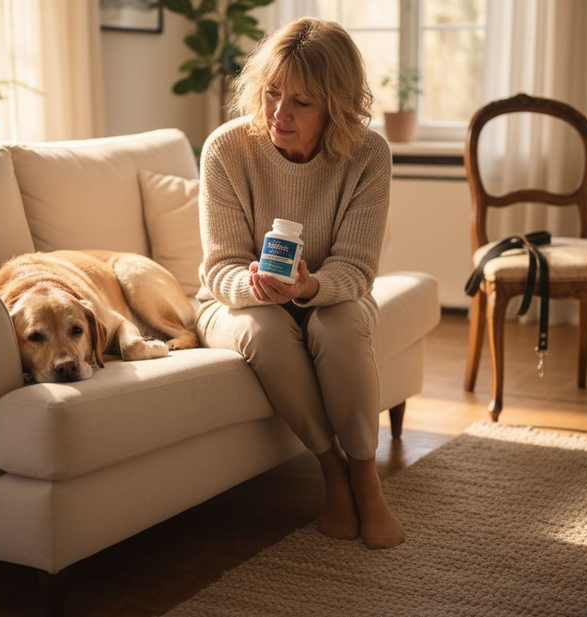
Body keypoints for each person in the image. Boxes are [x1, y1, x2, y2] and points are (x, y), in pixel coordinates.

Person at [195, 17, 403, 550]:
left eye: (301, 102)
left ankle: (367, 479)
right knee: (265, 330)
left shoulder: (367, 155)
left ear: (335, 104)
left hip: (326, 293)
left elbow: (356, 269)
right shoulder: (227, 150)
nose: (278, 114)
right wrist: (254, 286)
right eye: (271, 94)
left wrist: (309, 290)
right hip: (236, 300)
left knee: (338, 328)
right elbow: (218, 268)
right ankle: (333, 472)